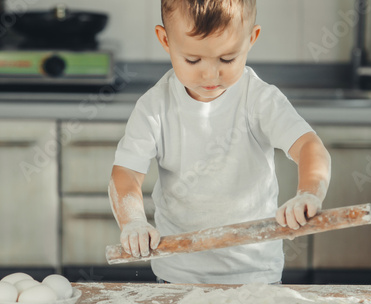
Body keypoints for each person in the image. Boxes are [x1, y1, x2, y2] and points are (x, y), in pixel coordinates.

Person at [108, 0, 331, 284]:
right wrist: (134, 222)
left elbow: (310, 147)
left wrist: (308, 193)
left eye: (227, 59)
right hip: (177, 275)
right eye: (193, 60)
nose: (210, 75)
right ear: (166, 40)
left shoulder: (259, 99)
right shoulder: (154, 106)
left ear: (251, 40)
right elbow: (126, 172)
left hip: (255, 274)